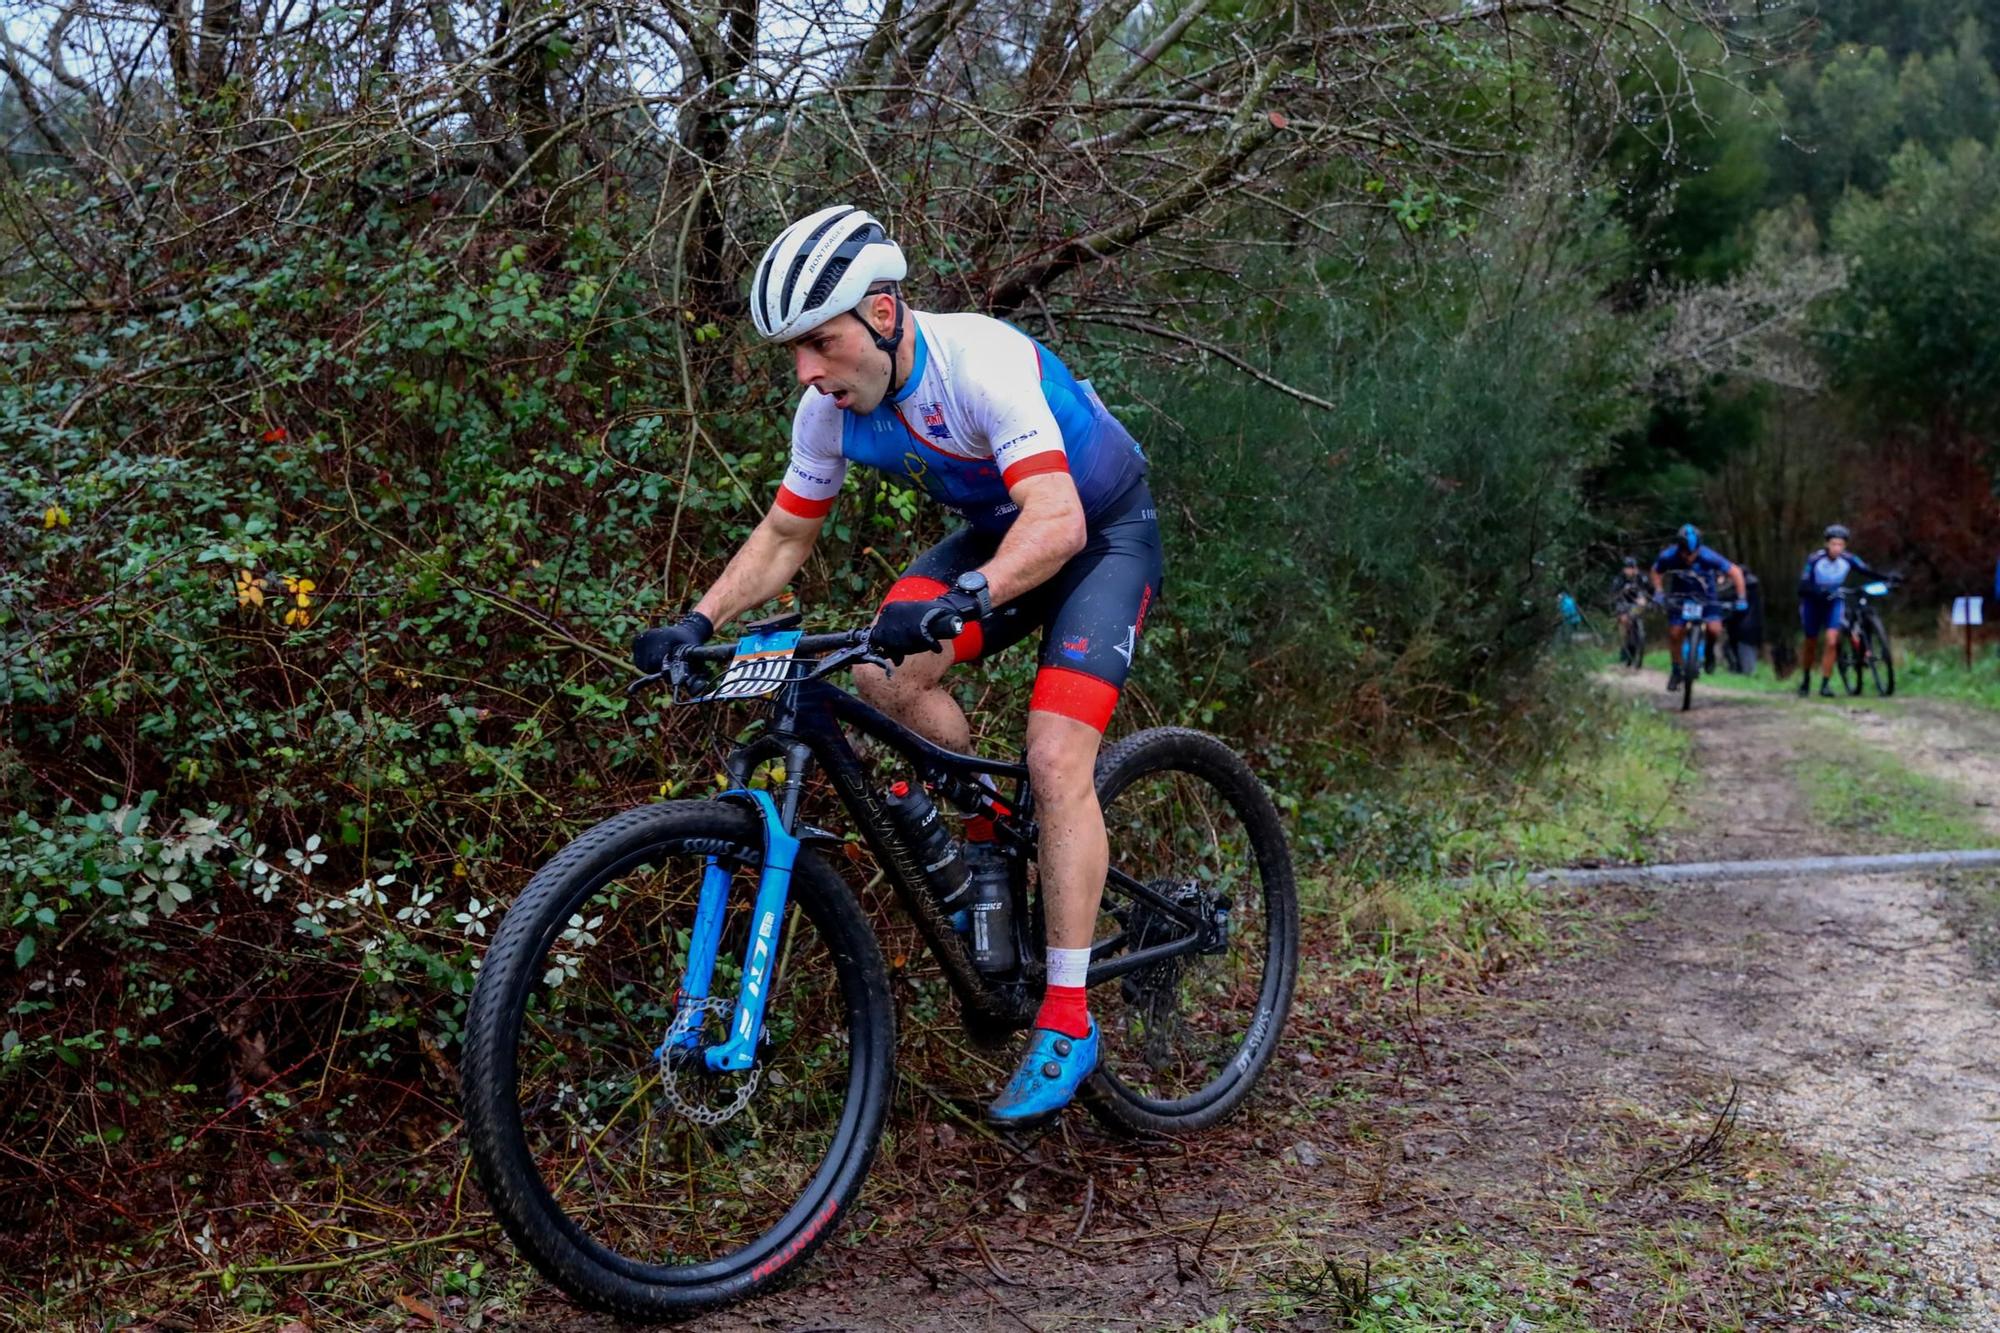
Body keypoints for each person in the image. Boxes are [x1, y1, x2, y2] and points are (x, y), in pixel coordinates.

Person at [631, 205, 1161, 1125]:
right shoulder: (827, 411)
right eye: (794, 351)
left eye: (820, 343)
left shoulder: (979, 364)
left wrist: (971, 598)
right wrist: (698, 617)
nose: (806, 370)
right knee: (879, 670)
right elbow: (787, 532)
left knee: (1054, 757)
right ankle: (989, 840)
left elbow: (1060, 521)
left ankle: (1069, 1020)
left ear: (882, 314)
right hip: (1005, 535)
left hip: (1098, 535)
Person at [1796, 524, 1889, 698]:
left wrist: (1888, 578)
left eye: (1840, 545)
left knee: (1832, 641)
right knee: (1811, 642)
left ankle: (1825, 684)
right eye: (1833, 544)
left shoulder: (1848, 559)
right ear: (1826, 544)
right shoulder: (1815, 560)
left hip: (1835, 602)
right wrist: (1817, 591)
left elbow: (1867, 571)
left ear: (1845, 546)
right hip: (1813, 604)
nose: (1836, 548)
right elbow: (1803, 584)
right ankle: (1806, 679)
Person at [1651, 524, 1747, 690]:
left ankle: (1709, 653)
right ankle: (1676, 669)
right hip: (1680, 598)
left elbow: (1735, 572)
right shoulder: (1668, 556)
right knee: (1675, 633)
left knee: (1714, 630)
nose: (1690, 557)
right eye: (1686, 553)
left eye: (1693, 553)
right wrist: (1658, 591)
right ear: (1679, 548)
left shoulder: (1708, 556)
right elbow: (1655, 571)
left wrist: (1741, 597)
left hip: (1706, 597)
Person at [1610, 555, 1649, 665]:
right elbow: (1614, 594)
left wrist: (1645, 599)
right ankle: (1624, 650)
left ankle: (1639, 637)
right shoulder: (1619, 579)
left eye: (1632, 568)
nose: (1630, 570)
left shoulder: (1641, 577)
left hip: (1636, 605)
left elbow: (1649, 590)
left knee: (1639, 613)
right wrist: (1622, 592)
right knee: (1624, 622)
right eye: (1628, 568)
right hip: (1623, 604)